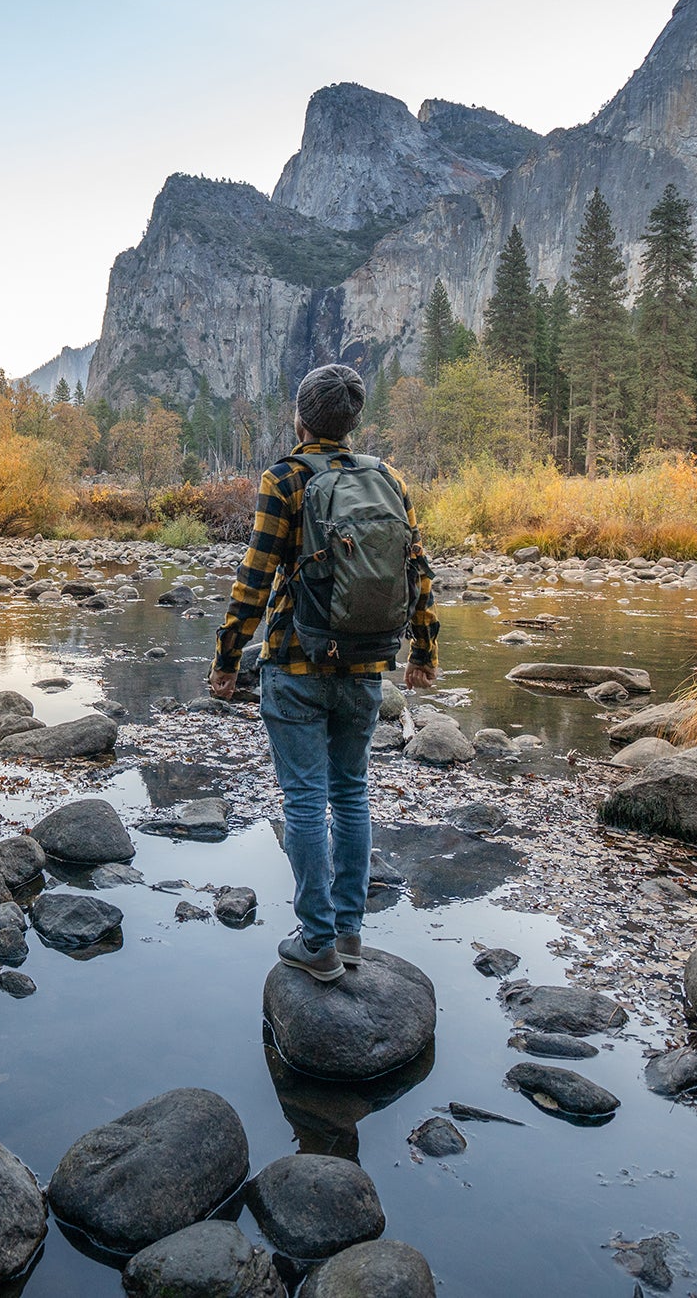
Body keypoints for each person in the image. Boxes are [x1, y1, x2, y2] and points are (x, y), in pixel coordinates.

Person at [208, 364, 439, 982]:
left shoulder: (283, 478)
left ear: (301, 418)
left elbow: (254, 580)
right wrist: (424, 653)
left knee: (306, 800)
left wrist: (228, 659)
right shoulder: (386, 477)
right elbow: (416, 567)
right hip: (366, 663)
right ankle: (351, 931)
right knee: (352, 792)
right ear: (352, 422)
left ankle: (316, 943)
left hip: (296, 661)